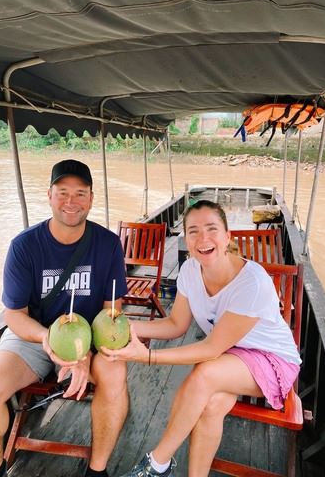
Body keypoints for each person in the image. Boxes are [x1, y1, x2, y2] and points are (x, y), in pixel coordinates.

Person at [101, 200, 301, 477]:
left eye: (212, 229)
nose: (203, 238)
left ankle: (156, 465)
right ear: (185, 238)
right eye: (193, 231)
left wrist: (146, 356)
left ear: (227, 235)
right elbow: (175, 324)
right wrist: (125, 326)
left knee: (204, 374)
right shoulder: (190, 271)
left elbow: (211, 348)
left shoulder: (252, 282)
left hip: (271, 359)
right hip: (231, 355)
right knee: (211, 404)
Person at [0, 159, 128, 477]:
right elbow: (14, 315)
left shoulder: (107, 244)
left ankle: (97, 471)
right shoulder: (25, 246)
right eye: (63, 192)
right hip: (34, 336)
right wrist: (48, 340)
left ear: (91, 199)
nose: (72, 202)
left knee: (115, 375)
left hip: (90, 336)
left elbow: (113, 312)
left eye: (80, 193)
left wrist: (83, 351)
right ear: (49, 195)